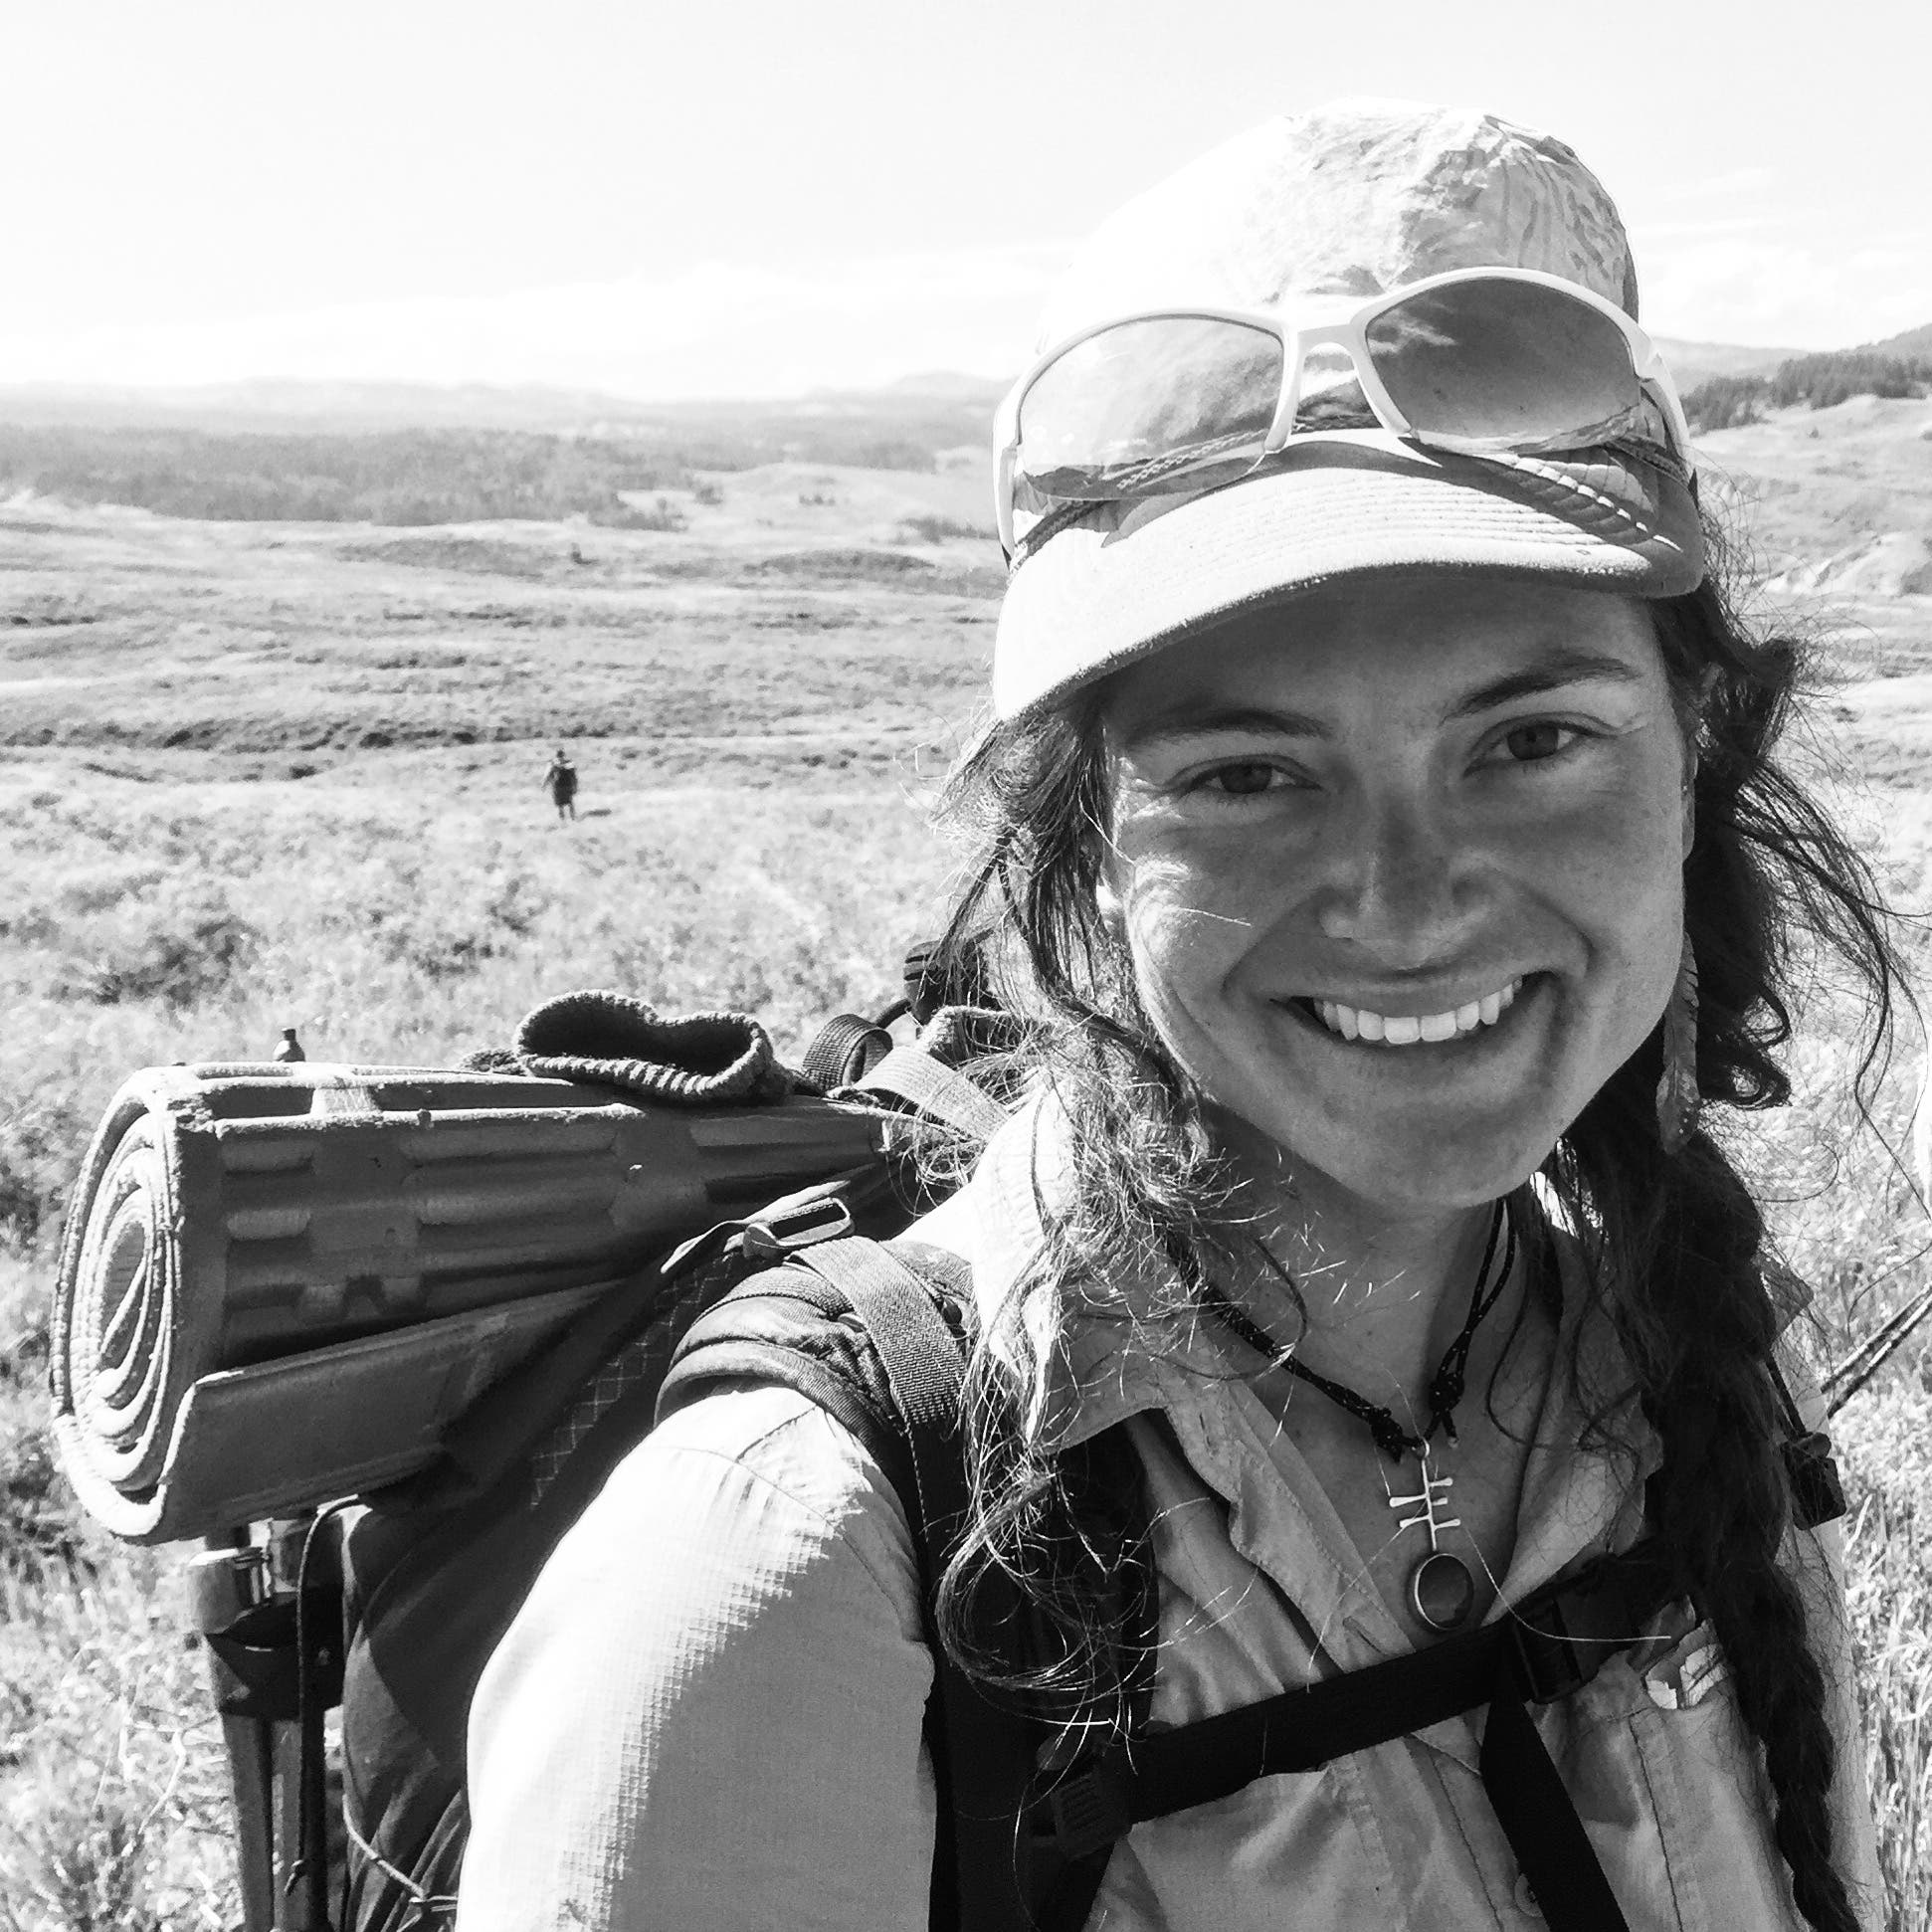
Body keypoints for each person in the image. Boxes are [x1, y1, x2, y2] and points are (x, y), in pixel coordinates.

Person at [459, 100, 1893, 1930]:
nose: (1404, 899)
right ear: (1086, 849)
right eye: (1244, 775)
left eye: (1529, 742)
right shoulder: (790, 1573)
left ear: (1694, 755)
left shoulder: (1680, 1359)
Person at [542, 746, 578, 822]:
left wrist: (544, 785)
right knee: (570, 802)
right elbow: (574, 776)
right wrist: (575, 786)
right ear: (563, 755)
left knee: (560, 804)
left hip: (557, 786)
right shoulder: (569, 763)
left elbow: (547, 775)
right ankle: (573, 818)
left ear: (556, 755)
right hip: (568, 785)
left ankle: (562, 820)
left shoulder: (553, 763)